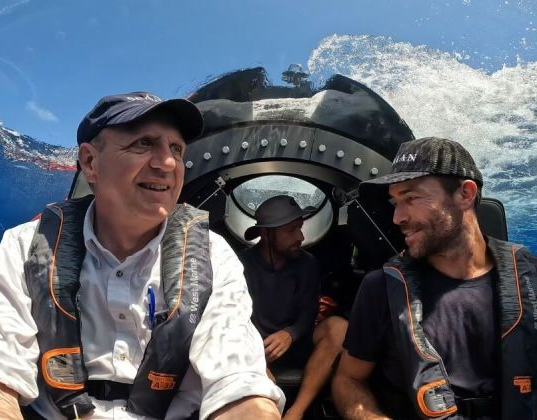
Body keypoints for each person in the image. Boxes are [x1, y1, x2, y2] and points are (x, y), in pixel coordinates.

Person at [0, 92, 285, 420]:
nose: (166, 163)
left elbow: (238, 382)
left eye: (176, 149)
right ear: (90, 163)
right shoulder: (26, 247)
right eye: (143, 144)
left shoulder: (211, 255)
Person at [332, 137, 537, 420]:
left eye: (411, 198)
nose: (397, 217)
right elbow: (348, 380)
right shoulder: (381, 288)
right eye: (395, 202)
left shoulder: (529, 281)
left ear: (465, 194)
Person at [240, 195, 348, 420]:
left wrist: (290, 333)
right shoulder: (240, 265)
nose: (300, 236)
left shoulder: (307, 264)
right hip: (253, 348)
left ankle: (296, 412)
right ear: (267, 234)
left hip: (295, 344)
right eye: (291, 230)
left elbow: (308, 313)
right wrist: (256, 359)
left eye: (299, 228)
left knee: (338, 328)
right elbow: (233, 319)